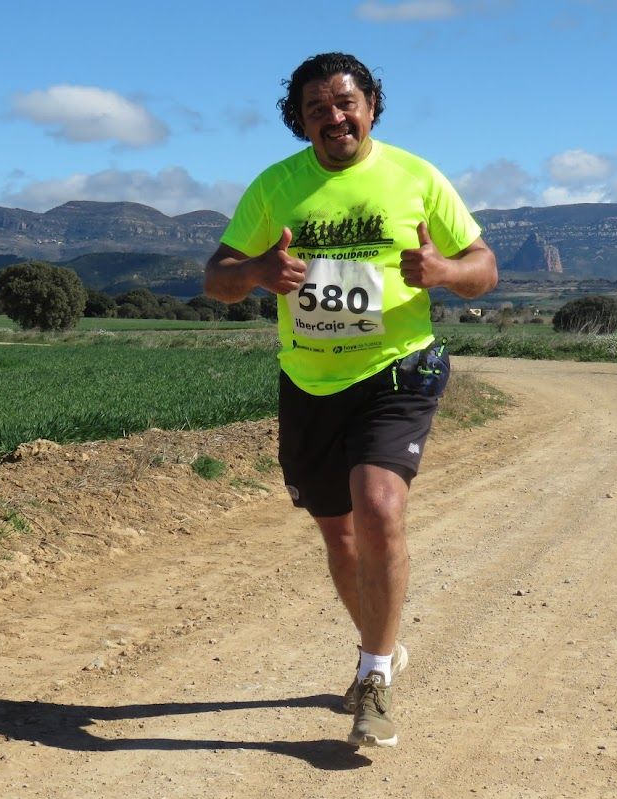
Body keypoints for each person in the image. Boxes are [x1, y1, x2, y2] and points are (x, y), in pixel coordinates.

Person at [203, 52, 498, 749]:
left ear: (370, 105)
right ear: (298, 120)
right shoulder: (275, 188)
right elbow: (215, 278)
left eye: (344, 102)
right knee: (340, 538)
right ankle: (382, 646)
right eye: (316, 108)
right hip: (309, 380)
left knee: (379, 506)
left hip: (397, 369)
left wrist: (445, 271)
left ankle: (372, 678)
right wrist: (255, 272)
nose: (333, 116)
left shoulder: (416, 177)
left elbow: (483, 269)